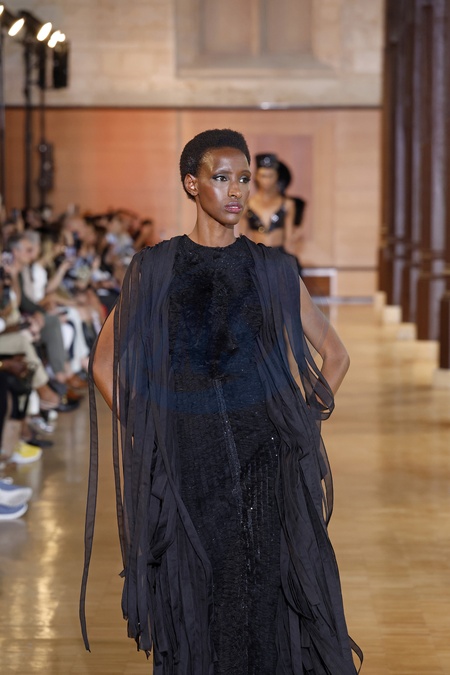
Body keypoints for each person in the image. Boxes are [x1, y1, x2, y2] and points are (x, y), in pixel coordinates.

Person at [80, 129, 362, 674]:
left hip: (265, 461)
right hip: (188, 463)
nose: (237, 191)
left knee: (262, 594)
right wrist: (148, 430)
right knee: (197, 595)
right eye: (222, 177)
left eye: (244, 178)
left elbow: (336, 354)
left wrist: (300, 423)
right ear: (192, 184)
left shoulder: (272, 268)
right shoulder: (154, 268)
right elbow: (103, 363)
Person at [241, 152, 304, 274]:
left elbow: (288, 240)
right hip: (257, 258)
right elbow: (244, 236)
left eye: (270, 176)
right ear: (256, 177)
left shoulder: (287, 204)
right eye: (263, 176)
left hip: (280, 257)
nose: (266, 181)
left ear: (277, 177)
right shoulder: (247, 205)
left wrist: (295, 238)